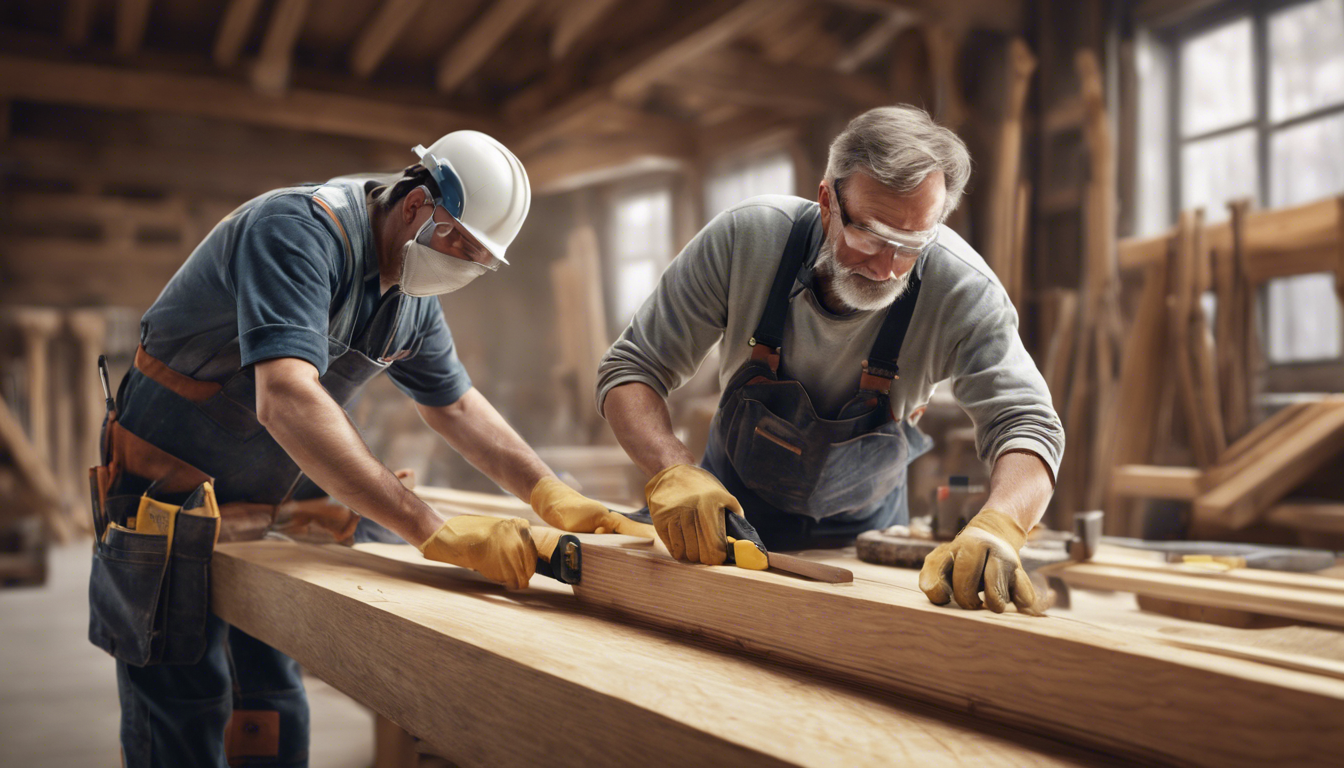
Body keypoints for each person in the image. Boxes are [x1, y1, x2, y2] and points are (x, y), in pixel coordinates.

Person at [90, 130, 650, 767]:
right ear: (415, 205)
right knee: (184, 714)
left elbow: (458, 406)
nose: (463, 264)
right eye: (458, 242)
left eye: (479, 258)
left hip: (266, 509)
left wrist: (551, 493)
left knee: (269, 704)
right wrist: (430, 528)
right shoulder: (295, 232)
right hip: (164, 501)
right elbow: (286, 398)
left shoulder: (412, 297)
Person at [598, 106, 1064, 615]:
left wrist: (1001, 524)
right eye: (870, 235)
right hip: (720, 515)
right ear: (827, 201)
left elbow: (1028, 424)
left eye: (911, 244)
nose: (887, 268)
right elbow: (632, 369)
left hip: (864, 541)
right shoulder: (747, 239)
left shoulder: (963, 290)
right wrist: (672, 470)